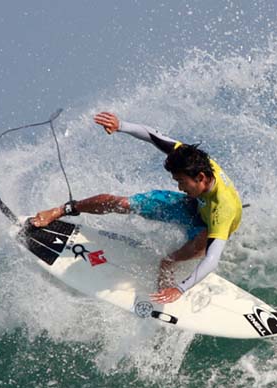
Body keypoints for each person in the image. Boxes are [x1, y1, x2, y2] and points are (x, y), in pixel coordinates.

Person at [31, 112, 242, 305]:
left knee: (190, 249)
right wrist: (121, 125)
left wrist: (180, 289)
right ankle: (64, 209)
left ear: (201, 178)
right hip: (192, 205)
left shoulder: (221, 210)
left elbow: (212, 260)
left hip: (206, 225)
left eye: (182, 182)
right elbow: (153, 135)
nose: (179, 187)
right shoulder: (194, 161)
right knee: (122, 203)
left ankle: (167, 271)